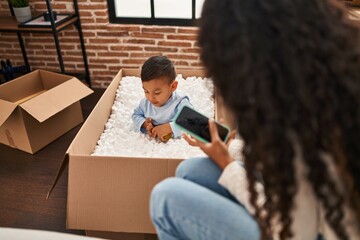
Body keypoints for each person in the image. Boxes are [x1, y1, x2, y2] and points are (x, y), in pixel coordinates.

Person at [150, 0, 360, 239]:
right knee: (189, 171)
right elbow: (280, 162)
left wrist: (228, 165)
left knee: (165, 198)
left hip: (305, 230)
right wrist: (229, 148)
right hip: (303, 207)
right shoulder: (320, 82)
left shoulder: (310, 126)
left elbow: (289, 227)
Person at [132, 55, 192, 142]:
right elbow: (135, 115)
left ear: (173, 87)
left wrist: (170, 127)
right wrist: (145, 124)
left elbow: (192, 122)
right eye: (146, 91)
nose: (151, 97)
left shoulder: (180, 102)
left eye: (157, 93)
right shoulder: (145, 103)